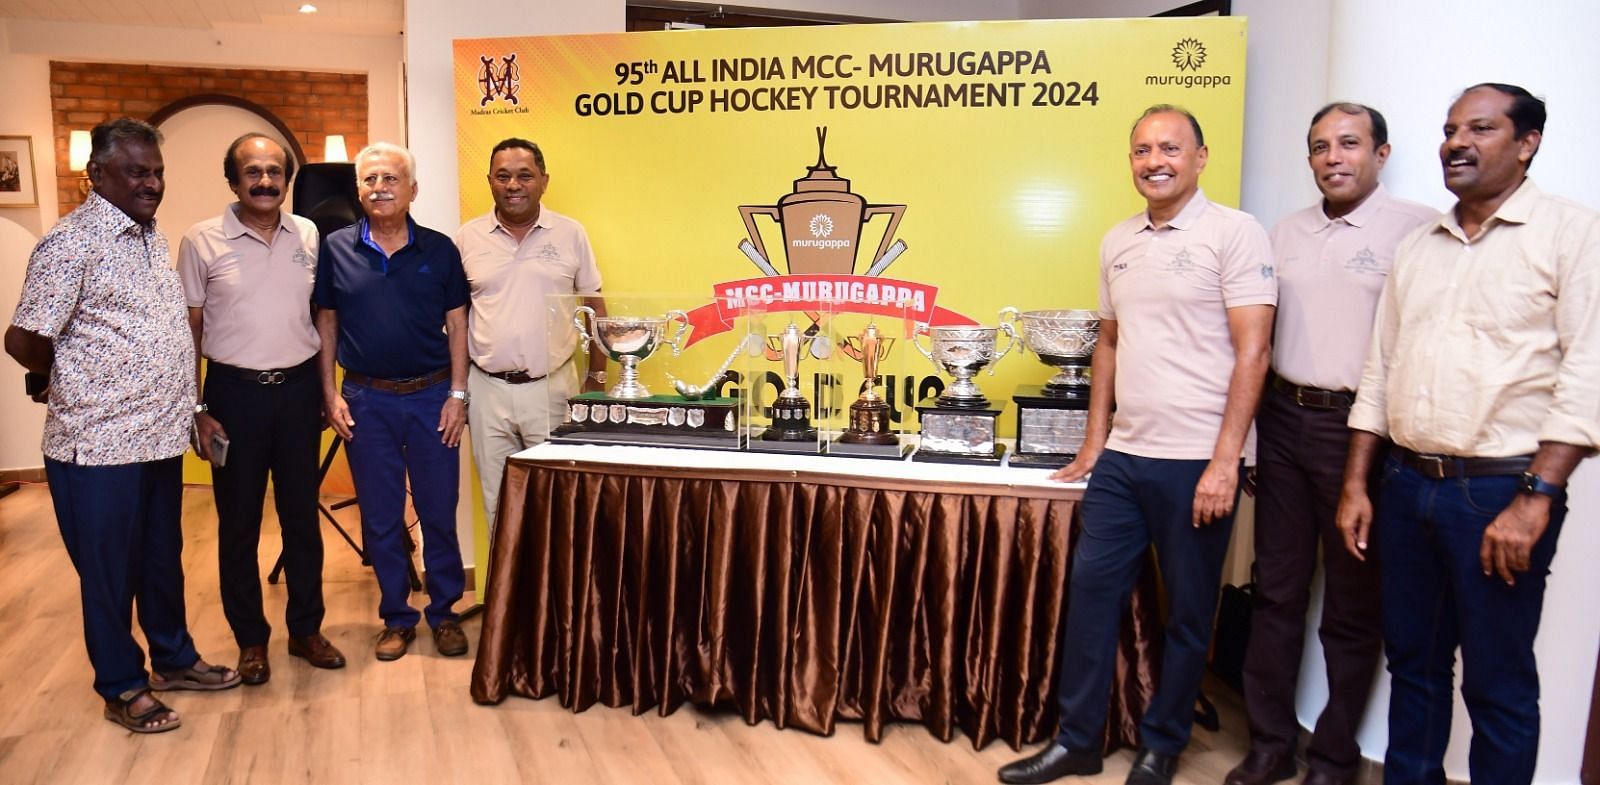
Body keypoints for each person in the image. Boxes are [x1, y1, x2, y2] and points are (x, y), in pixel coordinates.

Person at [998, 105, 1276, 785]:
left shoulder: (1235, 234)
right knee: (1091, 598)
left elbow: (1254, 350)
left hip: (1195, 461)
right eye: (1143, 149)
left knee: (1187, 613)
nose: (1155, 160)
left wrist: (1224, 459)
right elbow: (1110, 344)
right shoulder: (1117, 238)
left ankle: (1162, 743)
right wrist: (1096, 442)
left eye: (1171, 148)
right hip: (1125, 458)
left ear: (1200, 157)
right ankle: (1078, 740)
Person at [1337, 83, 1600, 785]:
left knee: (1497, 679)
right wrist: (1359, 481)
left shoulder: (1573, 233)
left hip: (1501, 493)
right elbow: (1380, 368)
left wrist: (1538, 496)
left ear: (1527, 142)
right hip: (1405, 484)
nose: (1457, 142)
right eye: (1451, 128)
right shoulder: (1419, 246)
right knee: (1414, 668)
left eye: (1480, 128)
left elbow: (1589, 371)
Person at [4, 117, 240, 734]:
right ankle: (121, 684)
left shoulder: (147, 238)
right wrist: (63, 379)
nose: (152, 183)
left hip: (159, 438)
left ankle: (174, 659)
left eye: (157, 171)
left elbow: (160, 340)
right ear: (98, 173)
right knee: (108, 574)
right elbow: (25, 338)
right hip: (96, 445)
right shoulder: (70, 243)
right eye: (138, 171)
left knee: (163, 560)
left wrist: (191, 410)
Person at [1225, 104, 1435, 785]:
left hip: (1362, 434)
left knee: (1352, 604)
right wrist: (1252, 438)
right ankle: (1269, 745)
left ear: (1382, 152)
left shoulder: (1418, 230)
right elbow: (1258, 343)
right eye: (1320, 146)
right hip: (1283, 420)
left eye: (1349, 143)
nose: (1333, 157)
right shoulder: (1282, 232)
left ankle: (1336, 757)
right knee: (1277, 593)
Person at [177, 133, 347, 685]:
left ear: (287, 179)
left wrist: (326, 390)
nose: (266, 181)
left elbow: (322, 316)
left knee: (302, 518)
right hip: (234, 397)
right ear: (233, 180)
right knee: (239, 525)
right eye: (253, 171)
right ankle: (252, 639)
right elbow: (189, 331)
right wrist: (197, 407)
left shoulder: (309, 233)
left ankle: (306, 630)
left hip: (298, 393)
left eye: (275, 171)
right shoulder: (201, 240)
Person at [313, 142, 471, 661]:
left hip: (432, 399)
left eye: (391, 179)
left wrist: (457, 395)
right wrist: (330, 392)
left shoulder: (440, 249)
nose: (380, 188)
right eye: (370, 180)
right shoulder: (334, 248)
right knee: (380, 517)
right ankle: (397, 617)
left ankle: (445, 613)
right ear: (358, 190)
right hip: (366, 400)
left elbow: (458, 325)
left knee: (438, 511)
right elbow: (327, 323)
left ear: (413, 190)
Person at [455, 138, 607, 537]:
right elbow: (455, 318)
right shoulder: (467, 238)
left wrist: (597, 380)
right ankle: (508, 600)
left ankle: (555, 601)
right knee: (498, 503)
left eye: (525, 175)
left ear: (544, 181)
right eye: (503, 176)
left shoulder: (571, 234)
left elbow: (595, 307)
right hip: (487, 389)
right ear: (490, 181)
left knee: (557, 502)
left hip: (552, 388)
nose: (513, 185)